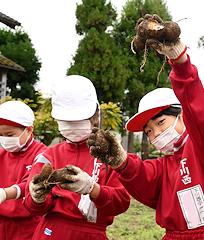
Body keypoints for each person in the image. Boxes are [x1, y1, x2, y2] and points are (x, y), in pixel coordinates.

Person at [86, 14, 204, 240]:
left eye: (160, 122)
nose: (156, 134)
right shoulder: (165, 165)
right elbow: (142, 175)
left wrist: (179, 60)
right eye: (149, 131)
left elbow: (195, 105)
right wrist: (120, 159)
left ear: (181, 115)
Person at [23, 75, 130, 240]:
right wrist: (37, 198)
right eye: (66, 121)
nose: (72, 126)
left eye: (78, 120)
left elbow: (121, 202)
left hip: (93, 233)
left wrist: (93, 189)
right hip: (51, 232)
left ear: (95, 116)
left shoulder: (110, 155)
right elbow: (33, 208)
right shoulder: (47, 157)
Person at [0, 100, 47, 239]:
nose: (4, 139)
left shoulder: (42, 155)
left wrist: (3, 194)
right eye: (0, 134)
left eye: (9, 135)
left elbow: (31, 184)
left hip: (32, 226)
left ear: (29, 129)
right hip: (2, 225)